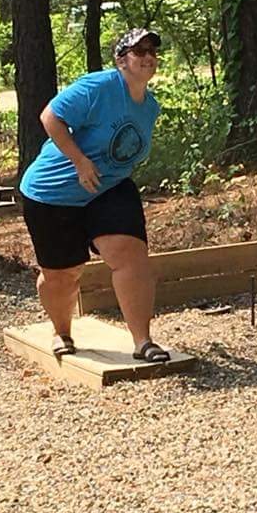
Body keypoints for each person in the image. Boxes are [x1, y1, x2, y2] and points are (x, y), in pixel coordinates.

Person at [19, 27, 170, 363]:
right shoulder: (98, 87)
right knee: (63, 273)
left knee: (131, 257)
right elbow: (50, 117)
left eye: (152, 51)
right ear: (121, 60)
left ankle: (143, 342)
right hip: (53, 191)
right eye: (139, 51)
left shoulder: (149, 107)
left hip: (108, 187)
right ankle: (61, 331)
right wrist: (80, 161)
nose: (148, 57)